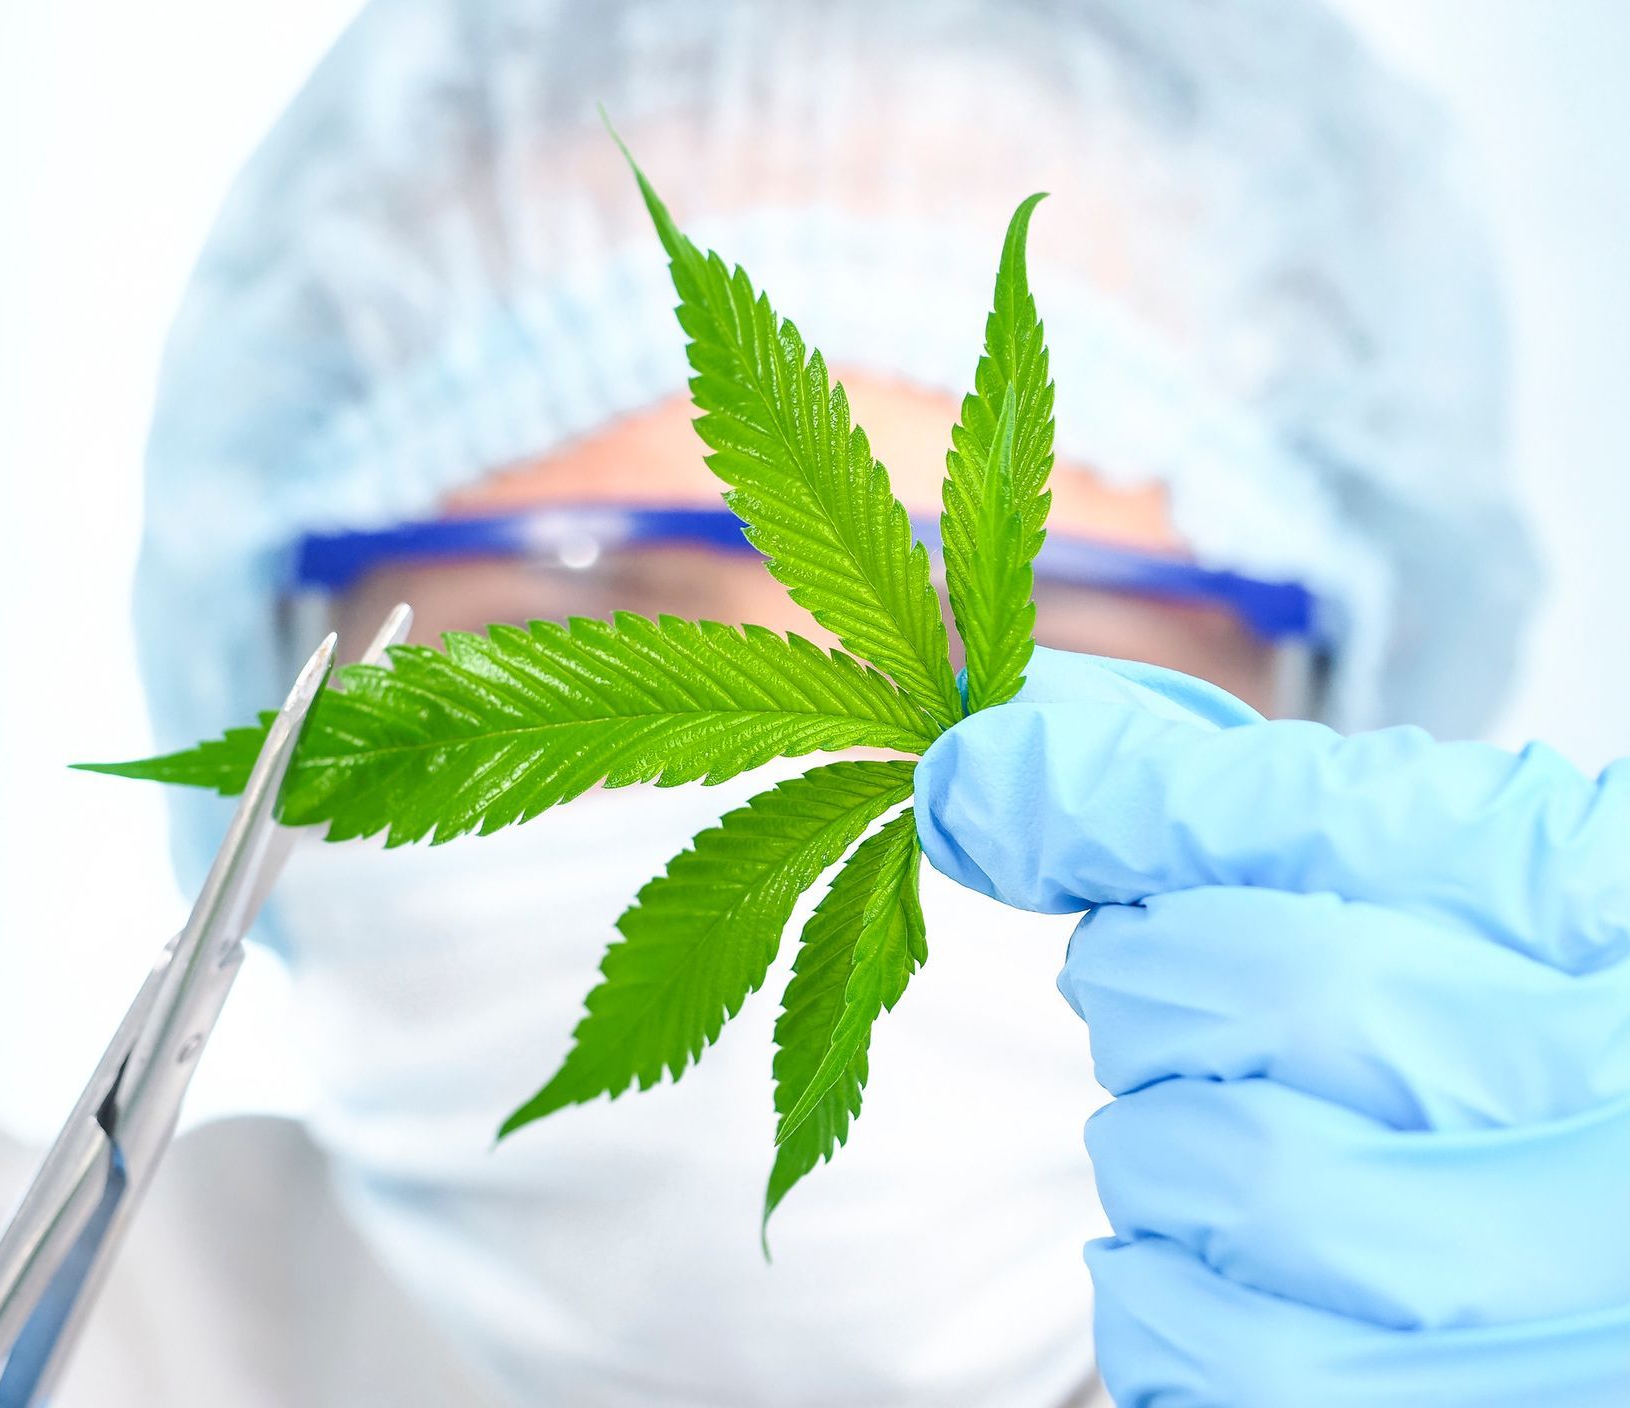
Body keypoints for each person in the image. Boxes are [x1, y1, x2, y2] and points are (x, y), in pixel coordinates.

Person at [123, 0, 1560, 1403]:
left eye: (1019, 642)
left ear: (1346, 720)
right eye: (595, 628)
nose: (785, 762)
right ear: (286, 673)